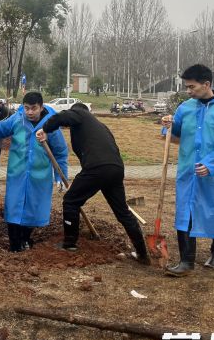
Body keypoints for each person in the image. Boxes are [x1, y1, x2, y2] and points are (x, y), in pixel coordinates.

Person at [36, 102, 149, 262]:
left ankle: (69, 243)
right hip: (115, 168)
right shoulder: (100, 126)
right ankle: (142, 254)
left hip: (97, 168)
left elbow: (62, 117)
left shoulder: (81, 113)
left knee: (70, 201)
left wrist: (45, 129)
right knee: (122, 212)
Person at [161, 64, 214, 276]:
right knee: (184, 212)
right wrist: (167, 125)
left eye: (192, 87)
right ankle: (186, 261)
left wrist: (211, 164)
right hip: (188, 171)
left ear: (206, 84)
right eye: (186, 87)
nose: (188, 91)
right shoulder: (185, 108)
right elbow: (175, 135)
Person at [0, 92, 68, 252]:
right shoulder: (17, 120)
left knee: (34, 211)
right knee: (13, 209)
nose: (30, 112)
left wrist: (60, 176)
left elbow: (60, 152)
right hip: (17, 175)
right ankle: (14, 246)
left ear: (41, 107)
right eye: (26, 108)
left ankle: (25, 238)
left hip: (39, 178)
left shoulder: (50, 126)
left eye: (33, 108)